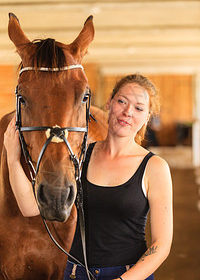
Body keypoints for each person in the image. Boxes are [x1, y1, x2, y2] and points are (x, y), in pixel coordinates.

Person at [4, 74, 173, 280]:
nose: (128, 112)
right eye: (122, 101)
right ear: (110, 103)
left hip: (130, 275)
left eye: (138, 108)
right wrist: (12, 159)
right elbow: (29, 207)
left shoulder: (155, 167)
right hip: (77, 274)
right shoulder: (81, 158)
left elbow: (161, 245)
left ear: (147, 116)